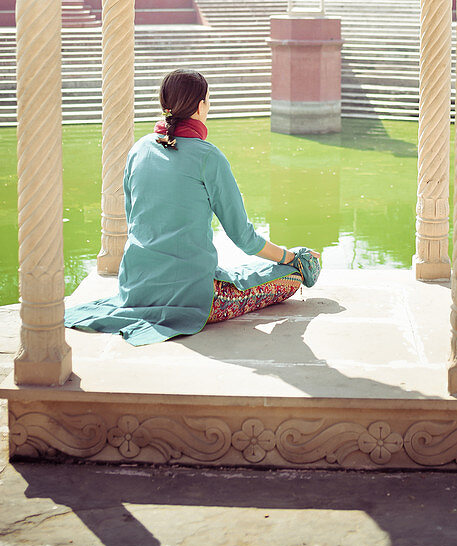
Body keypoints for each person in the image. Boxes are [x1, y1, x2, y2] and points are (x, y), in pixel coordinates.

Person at [64, 69, 320, 346]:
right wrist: (290, 257)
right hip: (196, 297)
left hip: (135, 289)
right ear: (200, 106)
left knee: (242, 272)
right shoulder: (208, 157)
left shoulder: (139, 149)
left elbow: (133, 218)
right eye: (208, 102)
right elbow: (244, 239)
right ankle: (297, 262)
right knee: (293, 275)